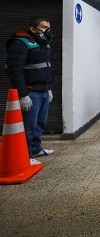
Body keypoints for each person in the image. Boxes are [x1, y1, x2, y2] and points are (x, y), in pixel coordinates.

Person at [6, 16, 55, 158]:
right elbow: (14, 70)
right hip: (30, 91)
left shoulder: (44, 44)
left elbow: (47, 68)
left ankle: (35, 149)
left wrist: (49, 87)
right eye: (44, 27)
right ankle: (25, 156)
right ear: (33, 28)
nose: (48, 30)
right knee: (29, 125)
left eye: (48, 27)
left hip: (44, 90)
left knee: (40, 124)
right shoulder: (20, 42)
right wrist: (23, 94)